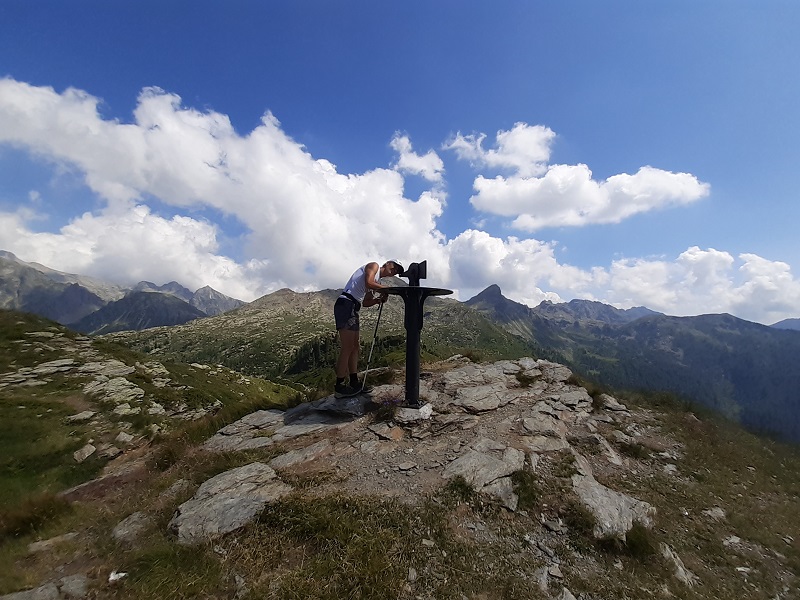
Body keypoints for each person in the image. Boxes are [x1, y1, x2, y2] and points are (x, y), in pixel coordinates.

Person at [333, 259, 404, 397]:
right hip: (346, 304)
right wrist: (386, 290)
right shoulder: (374, 266)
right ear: (388, 263)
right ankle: (339, 386)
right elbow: (368, 282)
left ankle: (354, 382)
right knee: (347, 347)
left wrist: (378, 300)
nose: (395, 270)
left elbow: (365, 302)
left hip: (353, 306)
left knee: (355, 346)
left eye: (398, 270)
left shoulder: (377, 282)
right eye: (394, 266)